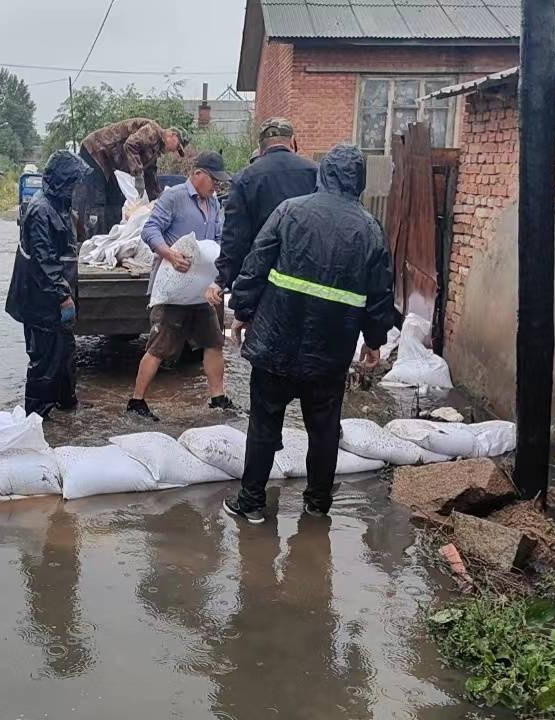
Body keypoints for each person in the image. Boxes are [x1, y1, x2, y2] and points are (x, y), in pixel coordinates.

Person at [222, 144, 397, 523]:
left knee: (265, 423)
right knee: (323, 430)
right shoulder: (369, 229)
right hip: (329, 352)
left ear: (324, 173)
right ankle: (317, 504)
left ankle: (251, 502)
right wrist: (375, 339)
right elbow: (380, 291)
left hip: (275, 341)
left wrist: (242, 311)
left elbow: (256, 262)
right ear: (359, 181)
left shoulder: (290, 211)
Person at [127, 151, 234, 421]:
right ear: (198, 174)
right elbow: (150, 230)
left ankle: (217, 398)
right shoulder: (174, 197)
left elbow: (219, 240)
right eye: (213, 180)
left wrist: (218, 278)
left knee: (213, 342)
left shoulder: (214, 205)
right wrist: (170, 254)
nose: (216, 186)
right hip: (173, 288)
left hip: (201, 290)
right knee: (159, 347)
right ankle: (136, 402)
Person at [5, 150, 91, 418]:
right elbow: (44, 261)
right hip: (41, 300)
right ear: (62, 182)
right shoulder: (41, 210)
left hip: (55, 295)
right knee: (44, 358)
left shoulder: (59, 204)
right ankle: (37, 416)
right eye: (74, 182)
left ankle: (66, 403)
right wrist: (62, 295)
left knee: (65, 352)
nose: (77, 187)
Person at [206, 117, 317, 308]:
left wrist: (222, 279)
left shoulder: (245, 178)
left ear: (261, 147)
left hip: (264, 281)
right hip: (309, 277)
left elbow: (235, 237)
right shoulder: (315, 173)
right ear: (292, 141)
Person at [74, 118, 188, 239]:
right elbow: (130, 145)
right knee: (98, 198)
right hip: (95, 151)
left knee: (116, 200)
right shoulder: (153, 131)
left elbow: (150, 176)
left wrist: (158, 200)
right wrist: (138, 176)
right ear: (172, 135)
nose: (174, 151)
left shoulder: (154, 150)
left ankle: (108, 237)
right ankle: (92, 239)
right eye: (177, 146)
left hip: (108, 161)